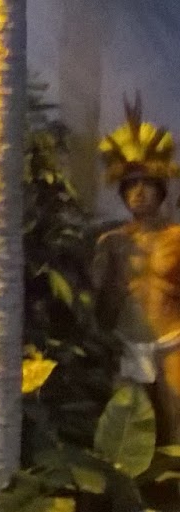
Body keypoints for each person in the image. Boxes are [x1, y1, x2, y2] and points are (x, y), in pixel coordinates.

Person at [92, 101, 180, 445]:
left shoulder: (177, 238)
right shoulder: (111, 243)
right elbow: (100, 303)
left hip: (173, 342)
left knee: (176, 422)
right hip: (127, 343)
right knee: (124, 433)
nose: (138, 192)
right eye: (130, 185)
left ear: (161, 189)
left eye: (146, 184)